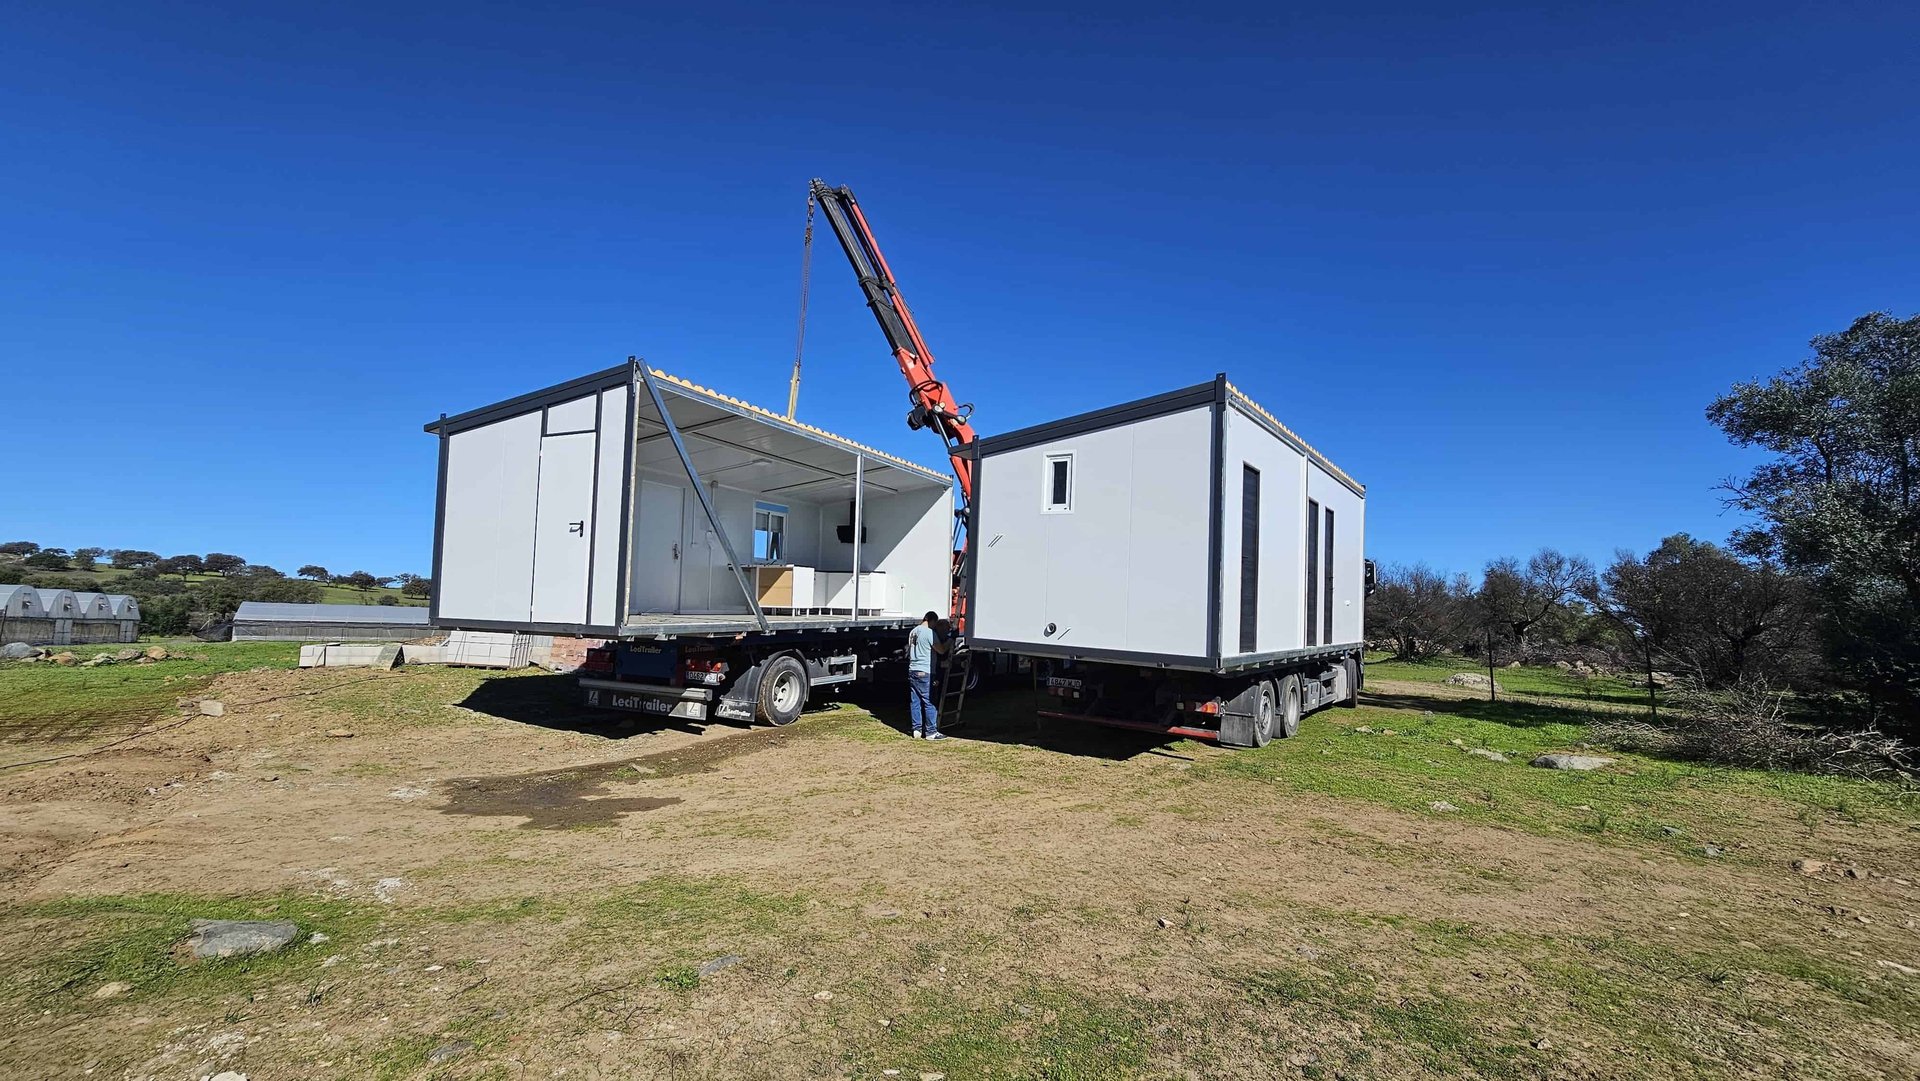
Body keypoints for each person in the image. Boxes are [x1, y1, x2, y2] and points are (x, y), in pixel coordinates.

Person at [906, 610, 947, 740]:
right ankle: (931, 732)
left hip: (912, 669)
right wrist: (950, 642)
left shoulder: (913, 632)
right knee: (929, 701)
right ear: (932, 621)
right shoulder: (930, 633)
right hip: (925, 671)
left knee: (915, 701)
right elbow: (940, 650)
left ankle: (916, 730)